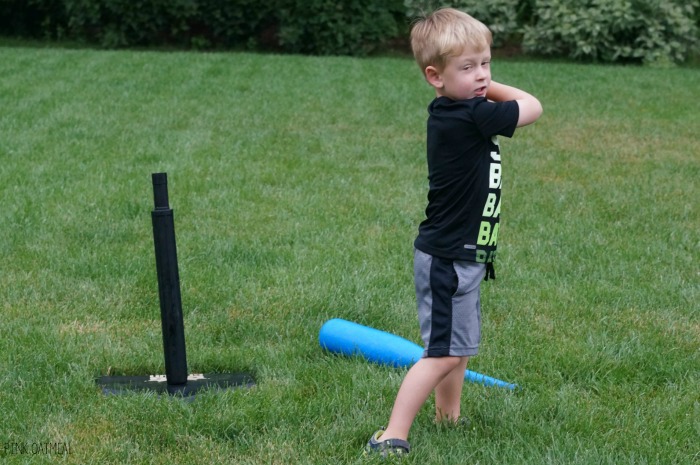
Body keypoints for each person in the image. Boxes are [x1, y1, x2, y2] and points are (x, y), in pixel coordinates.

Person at [364, 7, 542, 457]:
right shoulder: (472, 116)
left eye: (486, 63)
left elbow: (502, 100)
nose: (482, 76)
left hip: (463, 256)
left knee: (456, 350)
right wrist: (486, 90)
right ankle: (392, 434)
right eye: (468, 67)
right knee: (441, 353)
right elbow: (532, 106)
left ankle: (449, 419)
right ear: (434, 76)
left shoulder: (461, 109)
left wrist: (470, 77)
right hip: (448, 259)